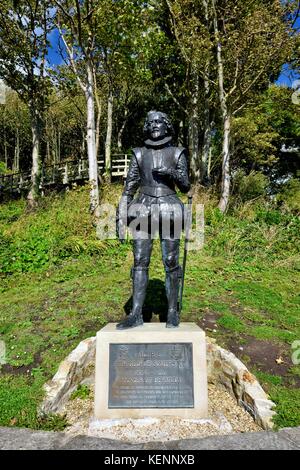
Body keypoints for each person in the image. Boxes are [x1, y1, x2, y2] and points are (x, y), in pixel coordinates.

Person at [116, 110, 190, 329]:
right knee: (139, 260)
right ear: (146, 127)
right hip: (143, 206)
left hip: (169, 207)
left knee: (170, 261)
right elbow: (129, 186)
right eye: (150, 122)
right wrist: (121, 216)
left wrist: (172, 174)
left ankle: (172, 311)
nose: (154, 125)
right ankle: (136, 313)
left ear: (167, 126)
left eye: (159, 122)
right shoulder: (138, 154)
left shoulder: (177, 153)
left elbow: (186, 186)